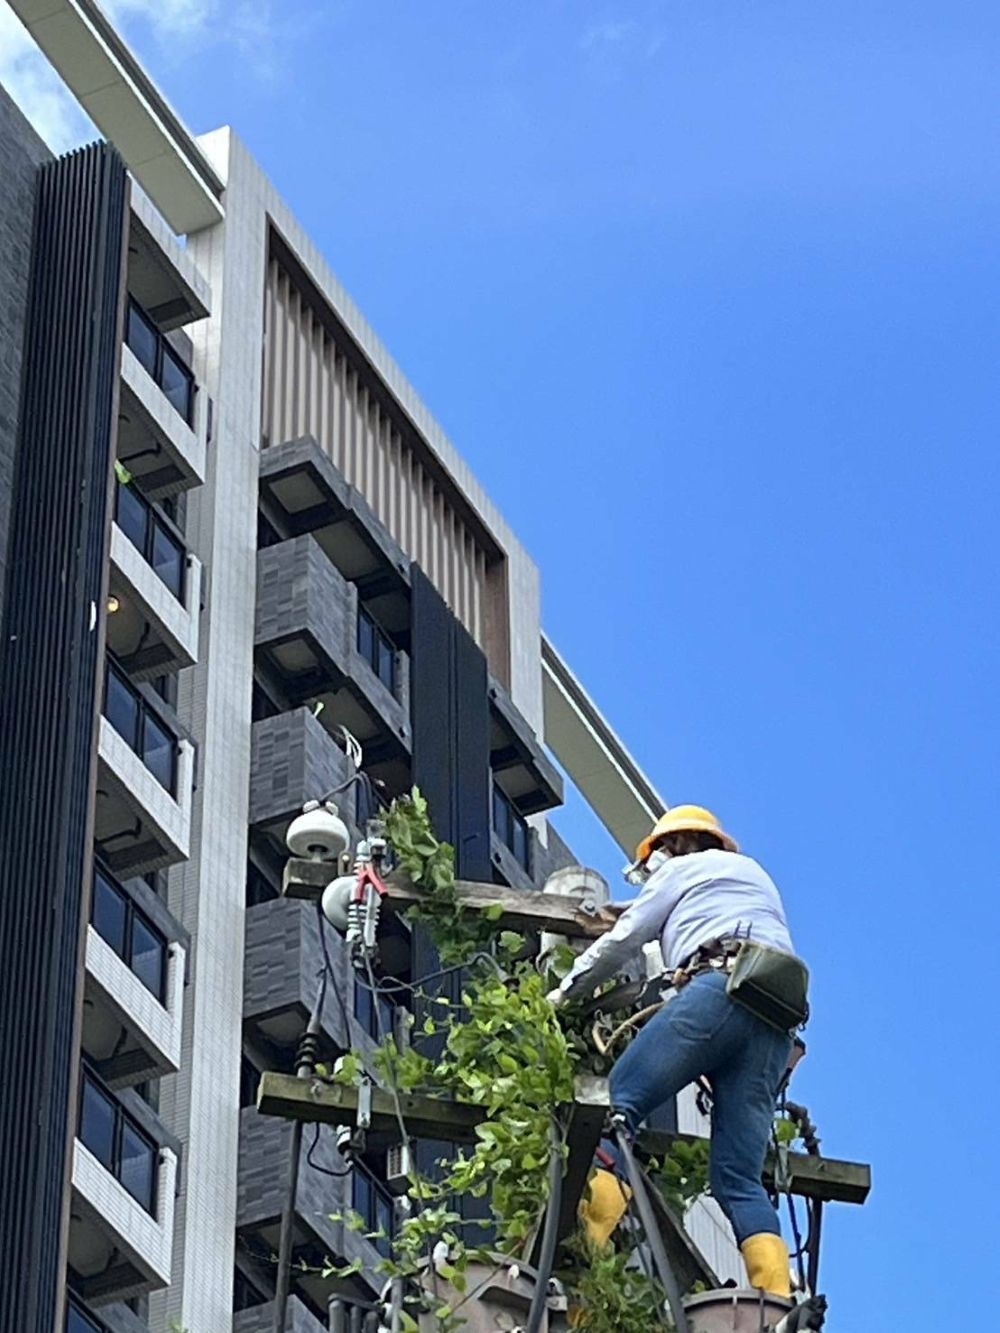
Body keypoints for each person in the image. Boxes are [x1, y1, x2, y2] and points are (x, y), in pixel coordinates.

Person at [547, 804, 804, 1298]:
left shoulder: (681, 870)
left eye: (652, 860)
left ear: (674, 845)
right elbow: (700, 915)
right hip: (775, 1023)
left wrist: (564, 994)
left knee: (617, 1104)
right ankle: (776, 1303)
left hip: (719, 991)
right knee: (739, 1180)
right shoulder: (750, 875)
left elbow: (622, 941)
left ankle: (587, 1248)